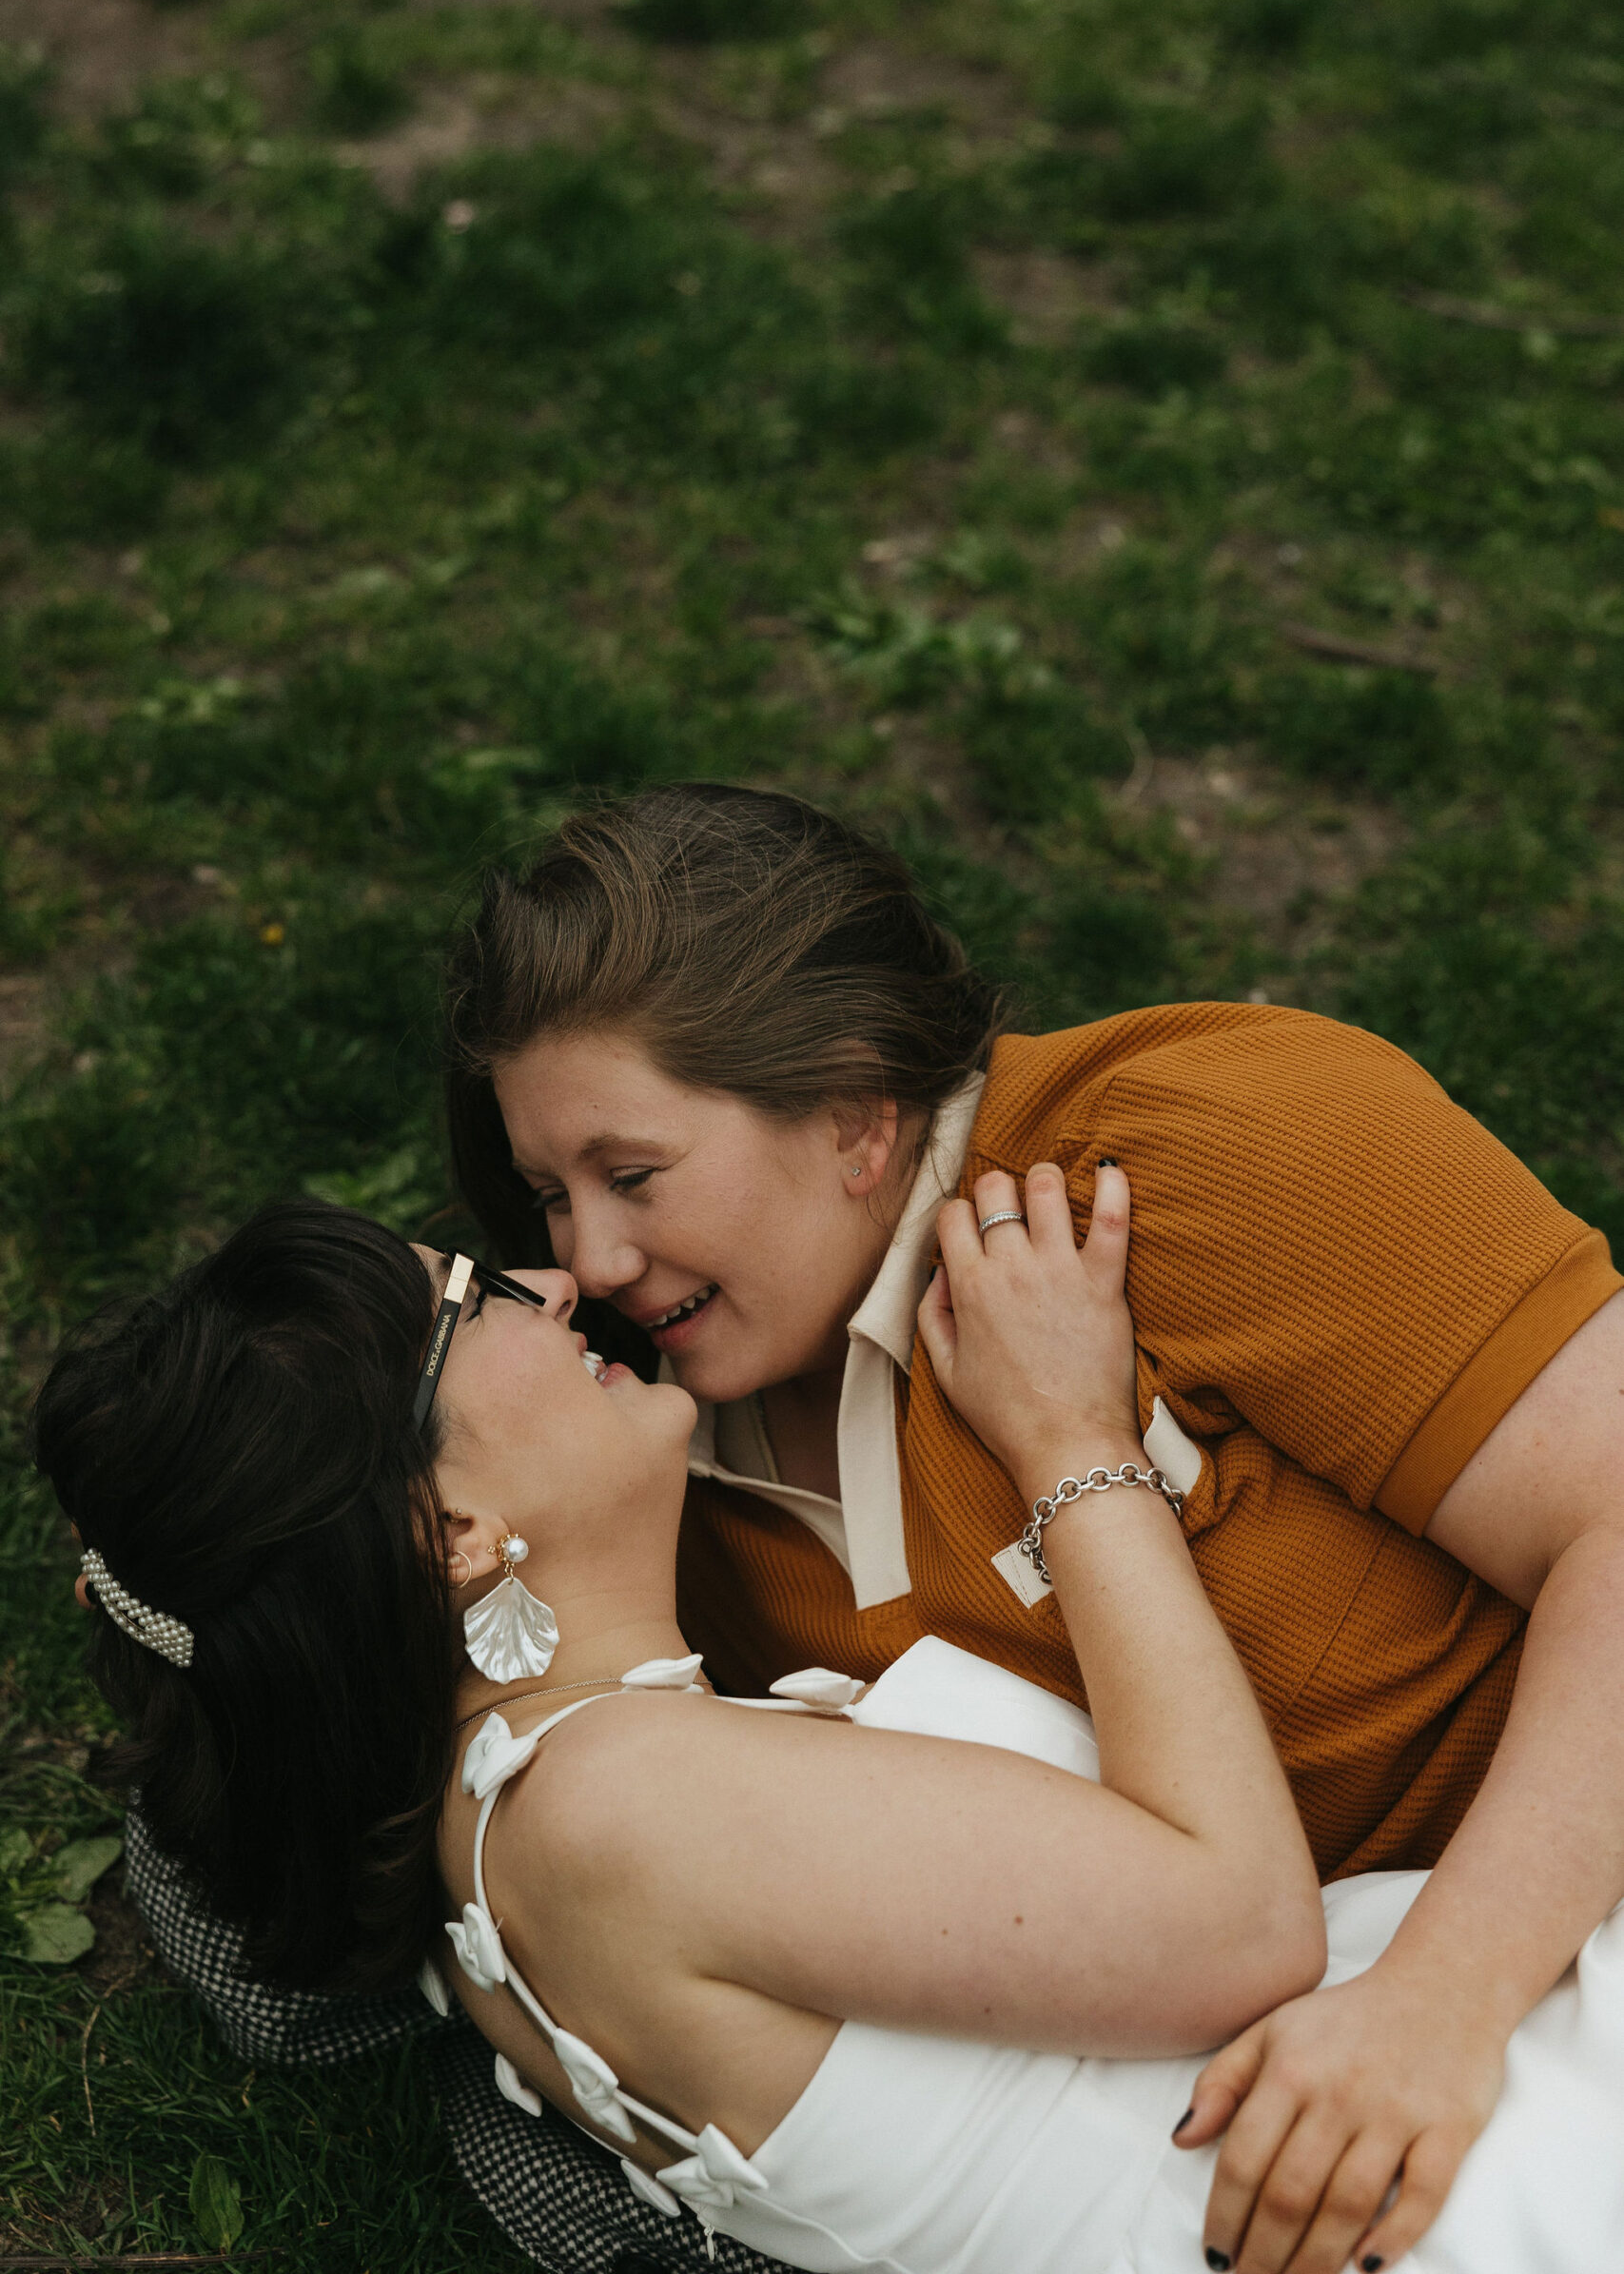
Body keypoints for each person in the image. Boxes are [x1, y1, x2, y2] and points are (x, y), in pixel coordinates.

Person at [438, 780, 1624, 2273]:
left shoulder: (1204, 1148)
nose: (590, 1259)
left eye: (636, 1175)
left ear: (856, 1113)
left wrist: (1448, 1999)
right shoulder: (642, 1486)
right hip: (1276, 2079)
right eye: (549, 1195)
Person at [36, 1184, 1624, 2274]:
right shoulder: (615, 1809)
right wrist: (1073, 1440)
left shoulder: (490, 1858)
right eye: (467, 1299)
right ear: (446, 1532)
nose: (552, 1277)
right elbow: (1242, 1927)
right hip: (1468, 2193)